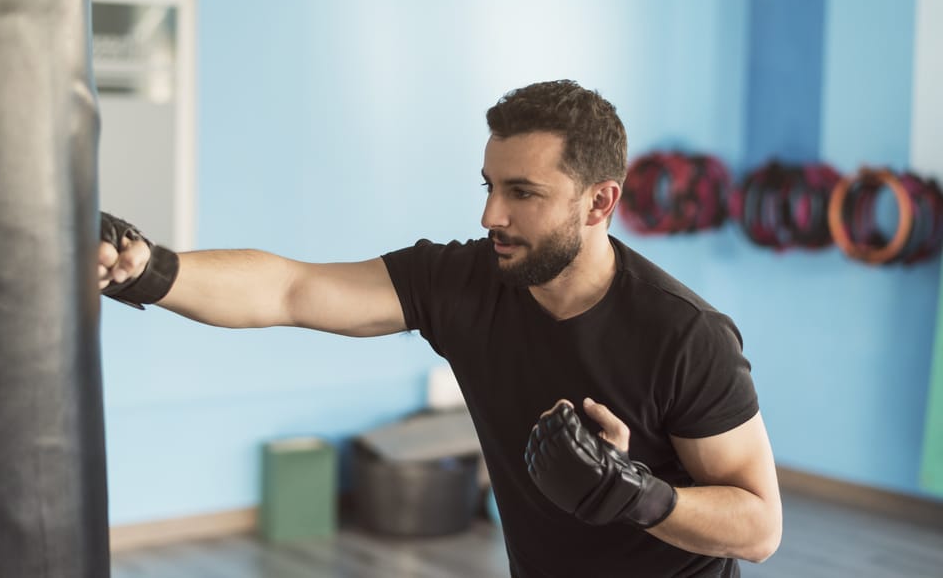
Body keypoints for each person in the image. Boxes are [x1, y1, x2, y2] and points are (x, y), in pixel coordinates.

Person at [99, 80, 782, 577]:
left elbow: (759, 527)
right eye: (488, 185)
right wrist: (148, 269)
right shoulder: (464, 282)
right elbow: (291, 287)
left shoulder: (683, 334)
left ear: (600, 200)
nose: (491, 214)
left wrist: (636, 492)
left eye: (522, 193)